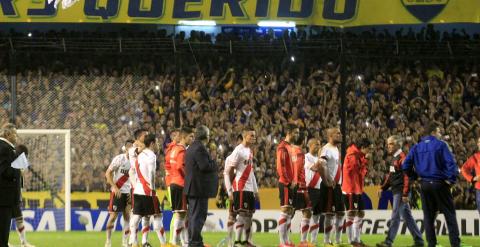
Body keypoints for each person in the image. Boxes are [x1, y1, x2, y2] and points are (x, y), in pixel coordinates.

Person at [402, 123, 461, 247]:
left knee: (428, 217)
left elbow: (405, 166)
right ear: (433, 132)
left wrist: (415, 177)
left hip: (424, 184)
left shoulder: (416, 147)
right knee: (449, 215)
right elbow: (451, 164)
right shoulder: (441, 145)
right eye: (439, 132)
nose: (440, 134)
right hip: (440, 184)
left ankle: (431, 244)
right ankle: (455, 244)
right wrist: (451, 180)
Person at [376, 135, 424, 247]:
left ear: (398, 144)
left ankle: (388, 242)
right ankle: (419, 241)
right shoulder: (394, 158)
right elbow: (391, 176)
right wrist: (382, 188)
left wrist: (405, 193)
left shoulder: (402, 157)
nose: (388, 146)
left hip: (401, 191)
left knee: (395, 215)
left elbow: (407, 176)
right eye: (387, 144)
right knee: (407, 217)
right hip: (398, 191)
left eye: (391, 143)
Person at [129, 133, 167, 247]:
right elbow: (151, 172)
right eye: (156, 142)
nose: (158, 145)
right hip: (147, 190)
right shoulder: (151, 155)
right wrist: (153, 188)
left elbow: (133, 169)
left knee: (136, 217)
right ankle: (164, 244)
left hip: (138, 190)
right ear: (152, 143)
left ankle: (134, 243)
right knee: (157, 217)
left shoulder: (139, 155)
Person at [184, 125, 218, 247]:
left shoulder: (191, 147)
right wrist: (214, 160)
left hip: (193, 188)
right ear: (206, 136)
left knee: (193, 216)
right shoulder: (200, 148)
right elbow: (204, 166)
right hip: (198, 189)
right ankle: (195, 242)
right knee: (198, 216)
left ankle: (194, 241)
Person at [224, 127, 258, 247]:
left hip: (248, 188)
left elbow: (251, 171)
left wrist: (255, 190)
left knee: (248, 215)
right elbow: (228, 172)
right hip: (240, 187)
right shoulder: (238, 151)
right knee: (240, 214)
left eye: (254, 136)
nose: (254, 138)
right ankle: (235, 242)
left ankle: (246, 241)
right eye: (251, 136)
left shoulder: (249, 151)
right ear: (244, 136)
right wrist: (230, 191)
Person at [104, 139, 134, 247]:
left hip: (129, 193)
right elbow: (108, 173)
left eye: (133, 146)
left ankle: (125, 242)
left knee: (127, 217)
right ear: (126, 148)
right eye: (129, 146)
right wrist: (114, 187)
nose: (131, 148)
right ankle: (108, 241)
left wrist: (133, 191)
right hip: (117, 192)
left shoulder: (135, 161)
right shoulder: (119, 159)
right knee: (113, 217)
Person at [342, 138, 371, 247]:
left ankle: (357, 240)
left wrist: (364, 163)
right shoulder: (352, 155)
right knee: (351, 213)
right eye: (368, 149)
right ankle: (351, 241)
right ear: (362, 147)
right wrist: (365, 161)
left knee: (360, 213)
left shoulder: (358, 156)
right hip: (350, 189)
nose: (369, 152)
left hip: (357, 189)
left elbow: (362, 173)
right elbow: (354, 171)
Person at [319, 127, 345, 247]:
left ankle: (338, 241)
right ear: (330, 135)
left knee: (340, 213)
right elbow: (321, 165)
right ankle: (327, 241)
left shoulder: (336, 149)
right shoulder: (326, 149)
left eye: (340, 133)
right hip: (330, 186)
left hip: (337, 185)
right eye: (337, 133)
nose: (340, 135)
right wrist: (327, 180)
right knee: (329, 214)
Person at [169, 127, 194, 246]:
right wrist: (188, 178)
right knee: (181, 214)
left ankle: (184, 242)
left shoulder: (174, 149)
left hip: (174, 182)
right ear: (184, 137)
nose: (192, 139)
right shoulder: (182, 150)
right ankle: (175, 240)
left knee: (182, 213)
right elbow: (180, 166)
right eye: (191, 137)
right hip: (180, 184)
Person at [276, 124, 300, 247]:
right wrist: (288, 182)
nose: (298, 135)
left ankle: (287, 241)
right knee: (285, 210)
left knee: (290, 212)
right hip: (286, 184)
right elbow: (281, 167)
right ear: (289, 132)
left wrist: (295, 181)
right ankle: (282, 242)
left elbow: (293, 167)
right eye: (296, 132)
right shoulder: (282, 147)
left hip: (293, 184)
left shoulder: (292, 147)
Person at [0, 123, 21, 247]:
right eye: (15, 133)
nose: (16, 136)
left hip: (5, 198)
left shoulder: (6, 147)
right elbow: (4, 171)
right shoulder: (4, 148)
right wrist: (18, 169)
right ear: (8, 134)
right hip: (4, 198)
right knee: (3, 232)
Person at [10, 144, 35, 247]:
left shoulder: (18, 165)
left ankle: (24, 243)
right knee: (6, 220)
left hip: (15, 197)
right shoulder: (11, 164)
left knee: (19, 219)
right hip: (8, 197)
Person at [304, 138, 324, 246]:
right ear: (310, 145)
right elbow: (315, 168)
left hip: (319, 189)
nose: (318, 147)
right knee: (307, 214)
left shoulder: (318, 158)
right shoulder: (306, 157)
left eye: (319, 145)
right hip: (309, 189)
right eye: (316, 144)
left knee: (317, 216)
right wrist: (321, 159)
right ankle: (304, 240)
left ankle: (314, 241)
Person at [460, 136, 480, 216]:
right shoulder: (475, 157)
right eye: (478, 142)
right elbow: (464, 169)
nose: (479, 144)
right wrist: (472, 178)